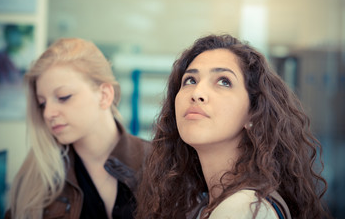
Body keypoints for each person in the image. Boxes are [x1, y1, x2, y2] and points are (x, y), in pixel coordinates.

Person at [135, 34, 331, 219]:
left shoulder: (243, 208)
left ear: (253, 113)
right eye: (190, 80)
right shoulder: (210, 204)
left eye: (224, 82)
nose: (197, 92)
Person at [5, 38, 149, 219]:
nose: (48, 113)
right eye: (42, 104)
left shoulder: (158, 162)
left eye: (63, 97)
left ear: (104, 95)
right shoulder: (36, 178)